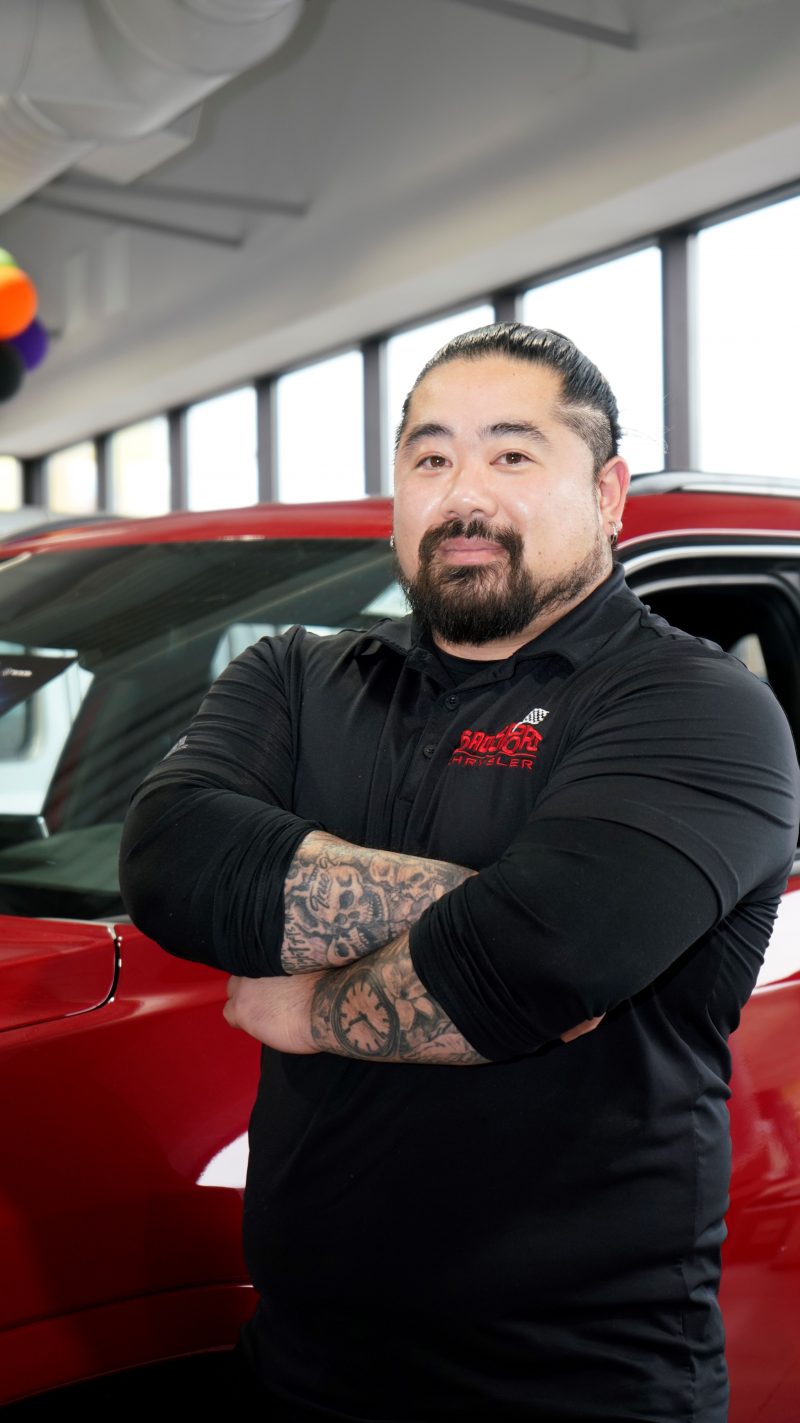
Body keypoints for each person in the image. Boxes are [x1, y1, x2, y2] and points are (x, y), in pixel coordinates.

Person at [118, 322, 800, 1423]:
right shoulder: (292, 676)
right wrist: (503, 928)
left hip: (577, 1386)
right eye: (430, 457)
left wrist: (304, 1005)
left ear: (608, 493)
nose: (463, 495)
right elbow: (167, 859)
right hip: (298, 1367)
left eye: (511, 454)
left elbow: (542, 951)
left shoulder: (696, 705)